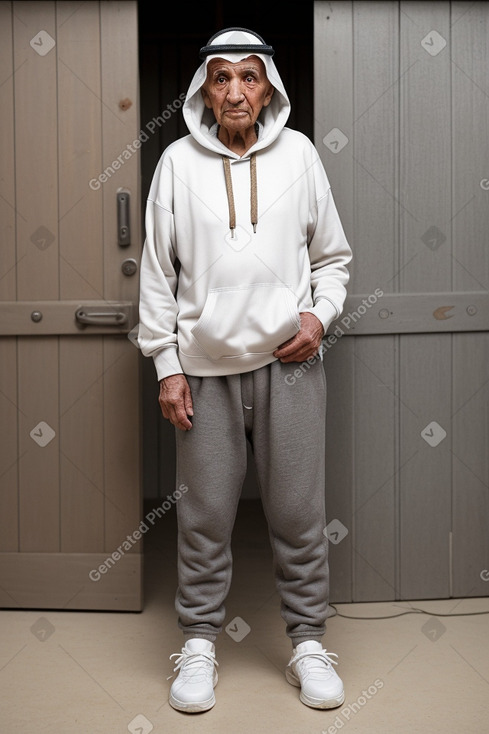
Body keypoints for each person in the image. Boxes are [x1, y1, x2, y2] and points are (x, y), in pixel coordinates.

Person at [138, 27, 352, 714]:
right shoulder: (174, 162)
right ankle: (199, 643)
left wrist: (318, 318)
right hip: (204, 370)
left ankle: (307, 643)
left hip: (290, 366)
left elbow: (332, 258)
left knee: (296, 511)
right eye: (222, 77)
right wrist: (167, 365)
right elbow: (156, 276)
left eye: (249, 77)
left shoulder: (299, 155)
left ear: (269, 90)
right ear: (204, 86)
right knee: (203, 515)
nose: (235, 90)